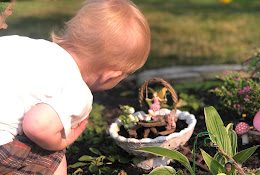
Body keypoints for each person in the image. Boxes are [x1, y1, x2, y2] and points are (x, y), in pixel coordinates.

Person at [0, 0, 150, 174]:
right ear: (110, 76)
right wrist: (63, 140)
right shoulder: (78, 91)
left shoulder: (24, 44)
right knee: (53, 157)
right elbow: (37, 126)